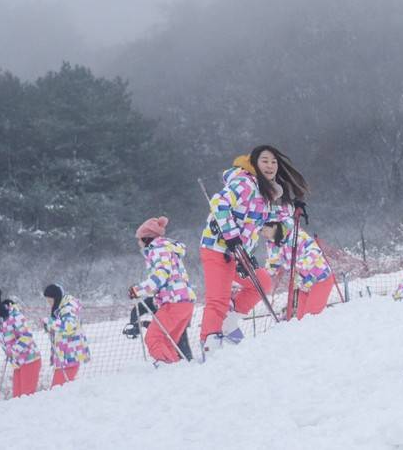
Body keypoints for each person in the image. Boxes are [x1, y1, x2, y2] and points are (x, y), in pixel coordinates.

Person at [199, 147, 305, 350]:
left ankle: (228, 322)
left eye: (274, 162)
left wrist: (294, 207)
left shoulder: (264, 192)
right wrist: (231, 236)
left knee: (262, 283)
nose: (270, 166)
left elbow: (270, 216)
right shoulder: (245, 183)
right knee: (218, 298)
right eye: (265, 161)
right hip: (218, 248)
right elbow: (219, 202)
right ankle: (209, 343)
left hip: (239, 254)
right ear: (255, 164)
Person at [130, 216, 196, 364]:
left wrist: (138, 290)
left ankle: (167, 369)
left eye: (139, 239)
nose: (138, 243)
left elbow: (161, 275)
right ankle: (175, 370)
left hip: (173, 303)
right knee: (167, 342)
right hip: (184, 302)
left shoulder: (157, 249)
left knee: (153, 338)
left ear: (147, 238)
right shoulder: (167, 248)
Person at [260, 221, 336, 320]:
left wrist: (299, 266)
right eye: (261, 231)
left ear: (274, 226)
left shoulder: (297, 235)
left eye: (265, 230)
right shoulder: (273, 245)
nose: (263, 233)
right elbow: (273, 264)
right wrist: (262, 276)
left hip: (320, 280)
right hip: (304, 285)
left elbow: (315, 251)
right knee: (302, 320)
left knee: (311, 319)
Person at [0, 287, 41, 398]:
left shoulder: (15, 316)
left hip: (29, 359)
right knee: (17, 397)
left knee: (27, 397)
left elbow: (27, 336)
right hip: (17, 363)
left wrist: (14, 349)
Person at [41, 284, 90, 387]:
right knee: (59, 390)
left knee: (57, 390)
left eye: (50, 301)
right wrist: (50, 327)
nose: (49, 304)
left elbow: (68, 326)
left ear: (56, 298)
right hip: (65, 356)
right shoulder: (60, 309)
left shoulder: (67, 309)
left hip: (70, 356)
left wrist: (50, 322)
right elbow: (61, 328)